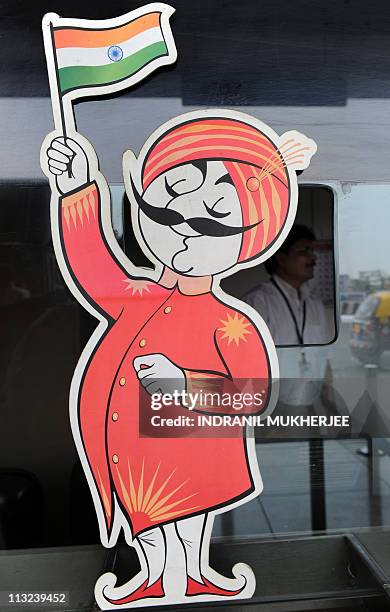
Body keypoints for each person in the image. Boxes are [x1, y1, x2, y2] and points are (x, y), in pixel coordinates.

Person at [43, 112, 315, 607]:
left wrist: (183, 384)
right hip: (126, 448)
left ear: (249, 241)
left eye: (213, 222)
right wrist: (79, 190)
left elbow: (252, 396)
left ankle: (191, 574)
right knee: (141, 516)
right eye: (167, 214)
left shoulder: (230, 321)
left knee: (188, 518)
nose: (187, 233)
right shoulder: (136, 296)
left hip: (191, 451)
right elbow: (93, 267)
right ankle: (153, 576)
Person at [244, 225, 333, 413]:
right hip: (274, 409)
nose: (314, 258)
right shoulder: (258, 302)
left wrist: (329, 404)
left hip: (313, 405)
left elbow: (324, 358)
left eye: (313, 251)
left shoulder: (314, 303)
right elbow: (246, 365)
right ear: (282, 259)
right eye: (304, 251)